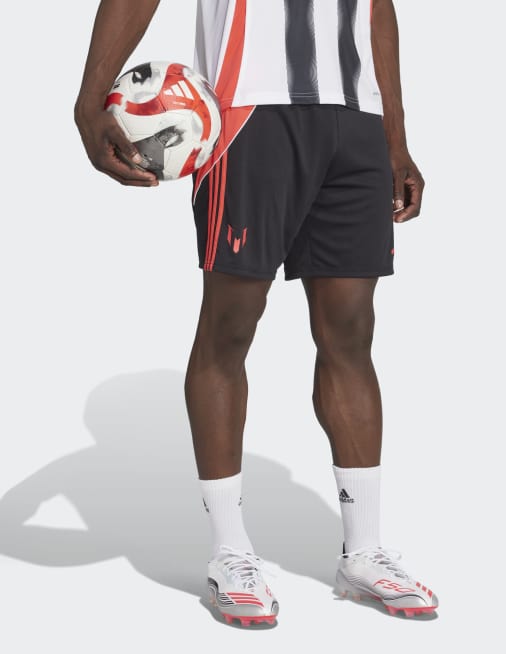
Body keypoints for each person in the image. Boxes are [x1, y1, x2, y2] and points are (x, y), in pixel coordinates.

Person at [75, 0, 438, 627]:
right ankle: (230, 552)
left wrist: (394, 137)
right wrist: (89, 102)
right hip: (247, 116)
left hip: (356, 120)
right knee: (230, 327)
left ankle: (364, 550)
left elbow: (378, 9)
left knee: (351, 333)